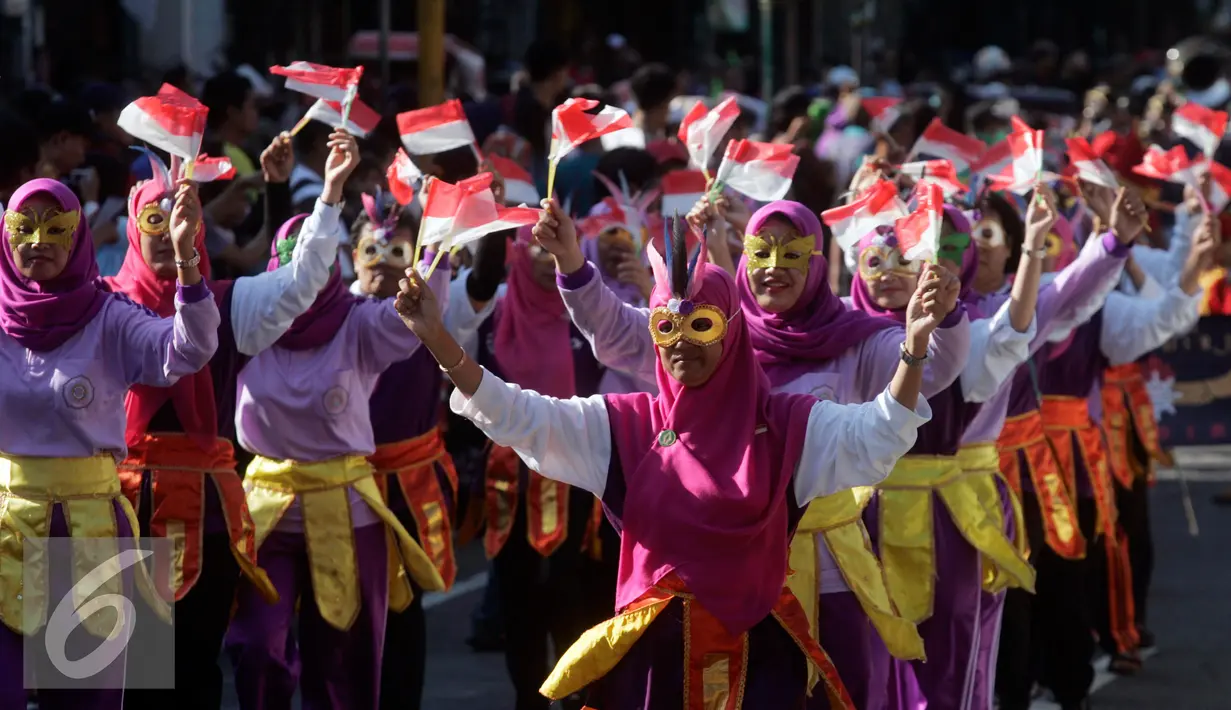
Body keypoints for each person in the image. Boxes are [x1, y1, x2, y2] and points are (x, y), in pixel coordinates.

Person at [390, 202, 955, 708]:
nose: (682, 341)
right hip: (652, 663)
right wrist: (438, 338)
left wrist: (915, 346)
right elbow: (517, 412)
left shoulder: (786, 424)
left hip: (757, 658)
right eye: (666, 326)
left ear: (733, 332)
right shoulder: (626, 424)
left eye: (701, 325)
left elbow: (879, 432)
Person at [555, 196, 970, 709]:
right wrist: (572, 264)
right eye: (761, 253)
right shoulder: (714, 329)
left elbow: (931, 373)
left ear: (817, 265)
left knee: (846, 690)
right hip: (740, 571)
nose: (774, 268)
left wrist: (937, 325)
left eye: (791, 254)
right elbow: (621, 331)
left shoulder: (857, 342)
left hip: (832, 561)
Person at [106, 131, 345, 710]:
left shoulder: (224, 300)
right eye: (152, 221)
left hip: (205, 517)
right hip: (107, 509)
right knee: (98, 678)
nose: (166, 233)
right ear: (133, 228)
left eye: (179, 219)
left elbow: (300, 282)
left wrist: (330, 193)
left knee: (190, 672)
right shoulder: (97, 303)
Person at [224, 156, 451, 709]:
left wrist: (439, 230)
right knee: (256, 649)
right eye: (292, 266)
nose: (301, 283)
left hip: (347, 509)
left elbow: (420, 308)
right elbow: (179, 331)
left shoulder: (359, 323)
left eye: (314, 265)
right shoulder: (247, 318)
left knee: (344, 666)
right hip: (265, 507)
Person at [0, 177, 219, 710]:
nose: (38, 241)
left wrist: (188, 258)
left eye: (56, 229)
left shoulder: (109, 315)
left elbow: (189, 350)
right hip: (4, 523)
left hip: (90, 528)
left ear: (78, 238)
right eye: (24, 228)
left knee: (85, 697)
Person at [994, 197, 1216, 710]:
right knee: (1010, 589)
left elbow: (1155, 322)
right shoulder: (987, 308)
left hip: (1072, 460)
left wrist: (1189, 272)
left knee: (1076, 569)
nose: (1045, 256)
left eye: (1053, 242)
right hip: (1001, 467)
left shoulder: (1094, 309)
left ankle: (1078, 674)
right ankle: (1018, 686)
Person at [347, 188, 505, 710]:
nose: (384, 263)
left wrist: (490, 226)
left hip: (411, 484)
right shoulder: (332, 309)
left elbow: (482, 283)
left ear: (416, 258)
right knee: (341, 608)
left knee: (403, 610)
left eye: (398, 253)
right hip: (345, 486)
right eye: (371, 251)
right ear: (352, 258)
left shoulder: (433, 307)